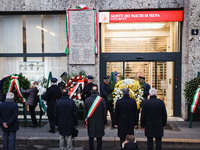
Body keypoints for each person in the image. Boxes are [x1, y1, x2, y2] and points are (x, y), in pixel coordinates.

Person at [84, 85, 107, 150]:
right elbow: (104, 112)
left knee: (91, 138)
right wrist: (105, 122)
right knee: (99, 139)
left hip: (90, 122)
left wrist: (85, 121)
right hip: (100, 122)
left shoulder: (87, 100)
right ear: (97, 92)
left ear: (91, 91)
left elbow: (85, 112)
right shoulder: (102, 100)